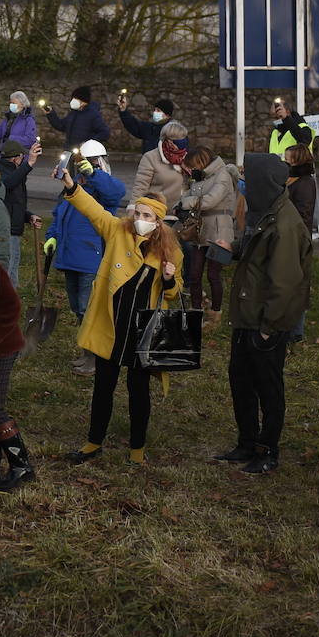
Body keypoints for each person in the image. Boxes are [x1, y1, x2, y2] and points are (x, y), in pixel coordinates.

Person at [56, 165, 183, 466]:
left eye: (147, 217)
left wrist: (168, 277)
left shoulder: (170, 252)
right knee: (103, 387)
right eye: (137, 214)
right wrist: (71, 186)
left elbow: (173, 293)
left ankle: (137, 449)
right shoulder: (117, 232)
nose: (140, 220)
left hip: (142, 331)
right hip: (111, 326)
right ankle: (93, 442)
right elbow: (94, 210)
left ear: (159, 222)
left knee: (139, 392)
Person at [215, 153, 312, 475]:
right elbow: (259, 256)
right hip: (248, 315)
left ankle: (267, 449)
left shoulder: (285, 224)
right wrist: (236, 250)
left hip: (265, 322)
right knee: (241, 381)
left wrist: (270, 327)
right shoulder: (267, 213)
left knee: (268, 387)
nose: (242, 182)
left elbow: (285, 282)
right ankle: (246, 442)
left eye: (247, 177)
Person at [45, 143, 127, 375]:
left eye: (90, 162)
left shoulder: (102, 188)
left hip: (92, 258)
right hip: (70, 256)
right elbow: (59, 215)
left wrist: (95, 175)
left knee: (88, 308)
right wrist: (52, 237)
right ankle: (87, 352)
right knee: (78, 308)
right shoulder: (72, 187)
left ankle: (95, 356)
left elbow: (117, 192)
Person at [179, 146, 236, 328]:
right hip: (201, 230)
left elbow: (211, 200)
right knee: (195, 274)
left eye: (193, 165)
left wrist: (185, 203)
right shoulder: (200, 177)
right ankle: (196, 311)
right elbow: (191, 195)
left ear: (201, 162)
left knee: (213, 274)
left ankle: (215, 314)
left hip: (219, 230)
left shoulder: (223, 175)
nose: (191, 170)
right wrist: (181, 204)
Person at [0, 138, 43, 286]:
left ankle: (10, 305)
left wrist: (28, 216)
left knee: (12, 272)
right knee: (6, 274)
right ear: (16, 159)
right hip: (5, 231)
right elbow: (8, 184)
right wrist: (29, 164)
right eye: (22, 158)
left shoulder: (14, 173)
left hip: (13, 230)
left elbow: (14, 202)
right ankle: (3, 306)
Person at [133, 122, 189, 210]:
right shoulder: (151, 157)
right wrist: (133, 208)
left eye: (184, 140)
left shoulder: (187, 158)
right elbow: (140, 186)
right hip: (157, 213)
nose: (182, 144)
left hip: (182, 214)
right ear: (168, 141)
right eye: (179, 141)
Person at [43, 86, 110, 149]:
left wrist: (87, 143)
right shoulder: (73, 113)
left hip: (85, 153)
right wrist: (50, 114)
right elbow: (61, 125)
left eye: (76, 98)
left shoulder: (93, 115)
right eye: (73, 98)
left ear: (84, 101)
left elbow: (104, 133)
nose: (73, 100)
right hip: (69, 151)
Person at [284, 144, 317, 233]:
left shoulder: (306, 182)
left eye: (287, 159)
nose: (284, 162)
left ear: (295, 160)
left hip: (296, 234)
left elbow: (304, 214)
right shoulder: (291, 178)